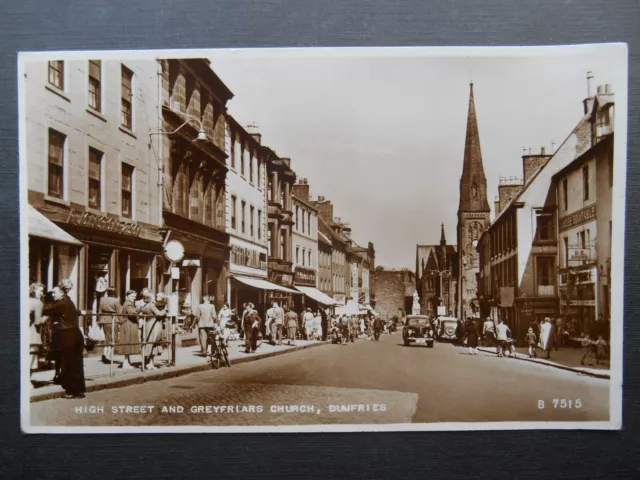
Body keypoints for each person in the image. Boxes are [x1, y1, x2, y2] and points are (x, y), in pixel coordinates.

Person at [42, 280, 86, 399]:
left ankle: (71, 391)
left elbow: (45, 309)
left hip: (67, 335)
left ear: (61, 293)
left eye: (54, 293)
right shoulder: (69, 301)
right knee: (76, 363)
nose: (53, 295)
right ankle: (79, 391)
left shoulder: (61, 303)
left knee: (68, 363)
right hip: (75, 334)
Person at [140, 292, 167, 370]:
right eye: (153, 297)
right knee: (153, 343)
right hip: (154, 324)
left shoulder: (145, 305)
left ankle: (148, 363)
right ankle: (150, 363)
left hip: (147, 324)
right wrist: (166, 310)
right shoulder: (152, 305)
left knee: (149, 342)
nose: (155, 298)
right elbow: (159, 314)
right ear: (150, 298)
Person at [98, 286, 121, 364]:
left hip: (104, 319)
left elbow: (100, 311)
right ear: (114, 292)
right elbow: (119, 312)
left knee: (107, 338)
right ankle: (108, 356)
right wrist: (120, 322)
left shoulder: (102, 299)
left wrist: (99, 320)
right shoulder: (116, 300)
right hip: (113, 319)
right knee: (113, 339)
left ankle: (104, 354)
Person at [118, 290, 139, 370]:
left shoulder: (128, 303)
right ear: (128, 296)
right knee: (127, 343)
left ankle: (127, 362)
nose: (134, 298)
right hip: (128, 325)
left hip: (128, 324)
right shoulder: (128, 303)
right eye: (132, 296)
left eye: (135, 296)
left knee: (128, 343)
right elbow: (131, 313)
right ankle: (125, 363)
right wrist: (139, 308)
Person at [28, 283, 45, 380]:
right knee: (31, 358)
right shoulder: (38, 303)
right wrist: (47, 317)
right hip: (33, 333)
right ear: (34, 291)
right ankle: (27, 380)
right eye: (40, 291)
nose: (42, 293)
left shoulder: (26, 300)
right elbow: (38, 322)